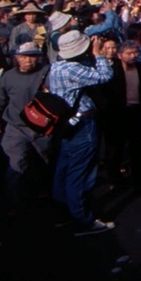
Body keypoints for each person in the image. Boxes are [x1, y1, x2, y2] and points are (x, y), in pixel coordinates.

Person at [47, 30, 115, 235]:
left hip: (67, 124)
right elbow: (105, 75)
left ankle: (64, 213)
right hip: (83, 124)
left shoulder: (58, 65)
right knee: (80, 173)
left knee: (64, 168)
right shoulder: (73, 69)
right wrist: (98, 53)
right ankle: (83, 219)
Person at [0, 42, 52, 211]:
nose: (28, 61)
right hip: (16, 128)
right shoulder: (8, 77)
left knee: (45, 163)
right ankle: (13, 206)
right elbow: (1, 99)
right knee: (15, 166)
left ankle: (45, 198)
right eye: (24, 57)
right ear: (16, 58)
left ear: (39, 58)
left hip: (42, 129)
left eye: (32, 57)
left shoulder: (47, 73)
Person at [101, 40, 141, 191]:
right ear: (119, 55)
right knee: (115, 149)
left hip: (137, 112)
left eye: (135, 52)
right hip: (116, 114)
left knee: (137, 147)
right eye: (129, 53)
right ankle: (115, 181)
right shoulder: (112, 71)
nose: (133, 56)